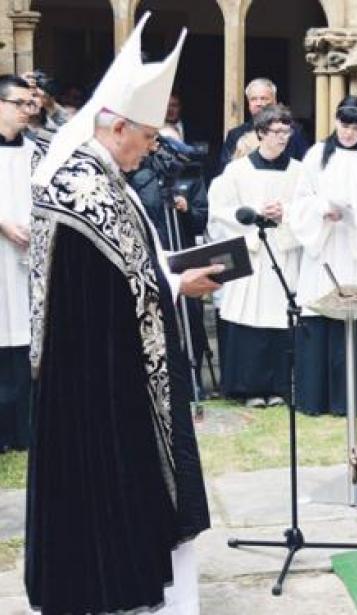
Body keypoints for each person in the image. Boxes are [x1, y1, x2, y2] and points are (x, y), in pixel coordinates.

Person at [25, 15, 219, 613]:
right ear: (116, 127)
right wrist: (175, 284)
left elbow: (134, 275)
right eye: (148, 137)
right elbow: (122, 286)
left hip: (109, 366)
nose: (153, 148)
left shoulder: (106, 176)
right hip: (94, 377)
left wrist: (172, 280)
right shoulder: (85, 186)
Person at [288, 95, 357, 416]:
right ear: (336, 122)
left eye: (355, 127)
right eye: (344, 126)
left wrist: (356, 215)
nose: (349, 133)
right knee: (325, 313)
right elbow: (300, 202)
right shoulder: (316, 154)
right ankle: (320, 397)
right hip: (327, 246)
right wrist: (322, 209)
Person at [208, 104, 302, 408]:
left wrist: (286, 213)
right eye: (276, 132)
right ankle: (248, 388)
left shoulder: (299, 171)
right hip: (252, 250)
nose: (283, 137)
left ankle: (278, 386)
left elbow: (308, 209)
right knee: (250, 318)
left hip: (283, 251)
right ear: (260, 133)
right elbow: (219, 210)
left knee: (279, 318)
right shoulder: (237, 171)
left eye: (287, 131)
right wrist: (253, 215)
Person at [128, 128, 211, 396]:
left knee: (192, 317)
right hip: (152, 252)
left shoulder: (186, 173)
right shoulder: (133, 170)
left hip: (182, 250)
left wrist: (186, 210)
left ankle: (192, 377)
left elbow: (201, 218)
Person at [0, 75, 36, 453]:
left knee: (24, 341)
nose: (28, 110)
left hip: (27, 258)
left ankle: (24, 430)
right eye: (20, 103)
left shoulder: (35, 152)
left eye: (31, 104)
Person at [218, 78, 308, 171]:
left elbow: (304, 165)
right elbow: (224, 171)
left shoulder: (293, 131)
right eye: (253, 99)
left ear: (274, 101)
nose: (259, 103)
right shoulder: (235, 134)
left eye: (264, 98)